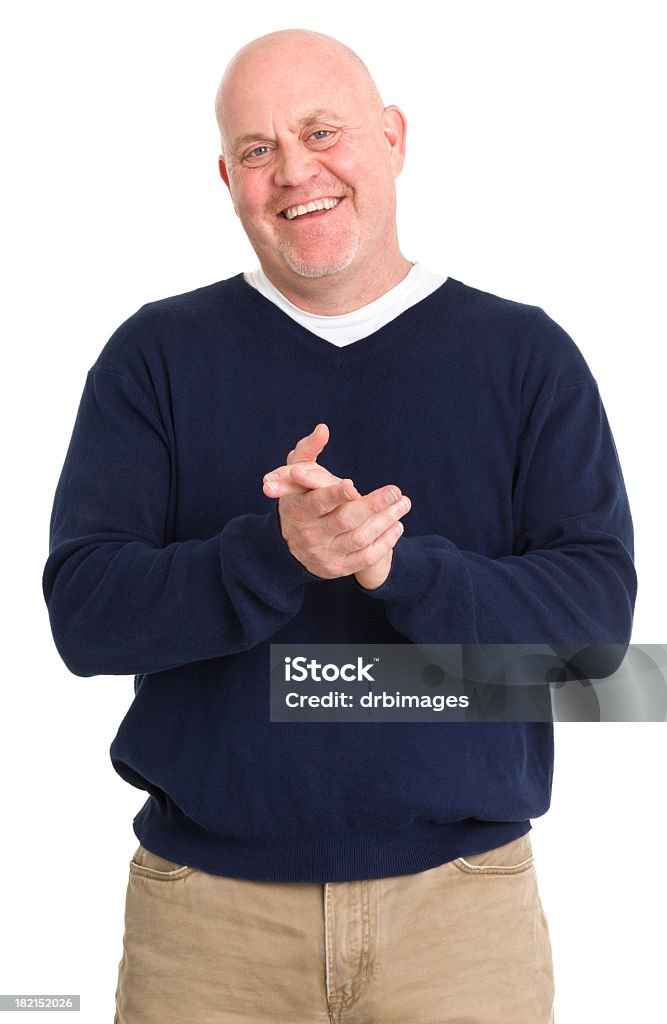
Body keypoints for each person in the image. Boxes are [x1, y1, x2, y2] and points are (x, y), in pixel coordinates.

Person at [42, 27, 636, 1024]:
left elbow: (593, 636)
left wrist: (399, 568)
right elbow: (86, 617)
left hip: (460, 919)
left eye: (323, 131)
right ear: (226, 176)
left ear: (393, 137)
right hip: (208, 934)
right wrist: (273, 553)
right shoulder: (154, 357)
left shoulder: (526, 357)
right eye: (258, 149)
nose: (293, 171)